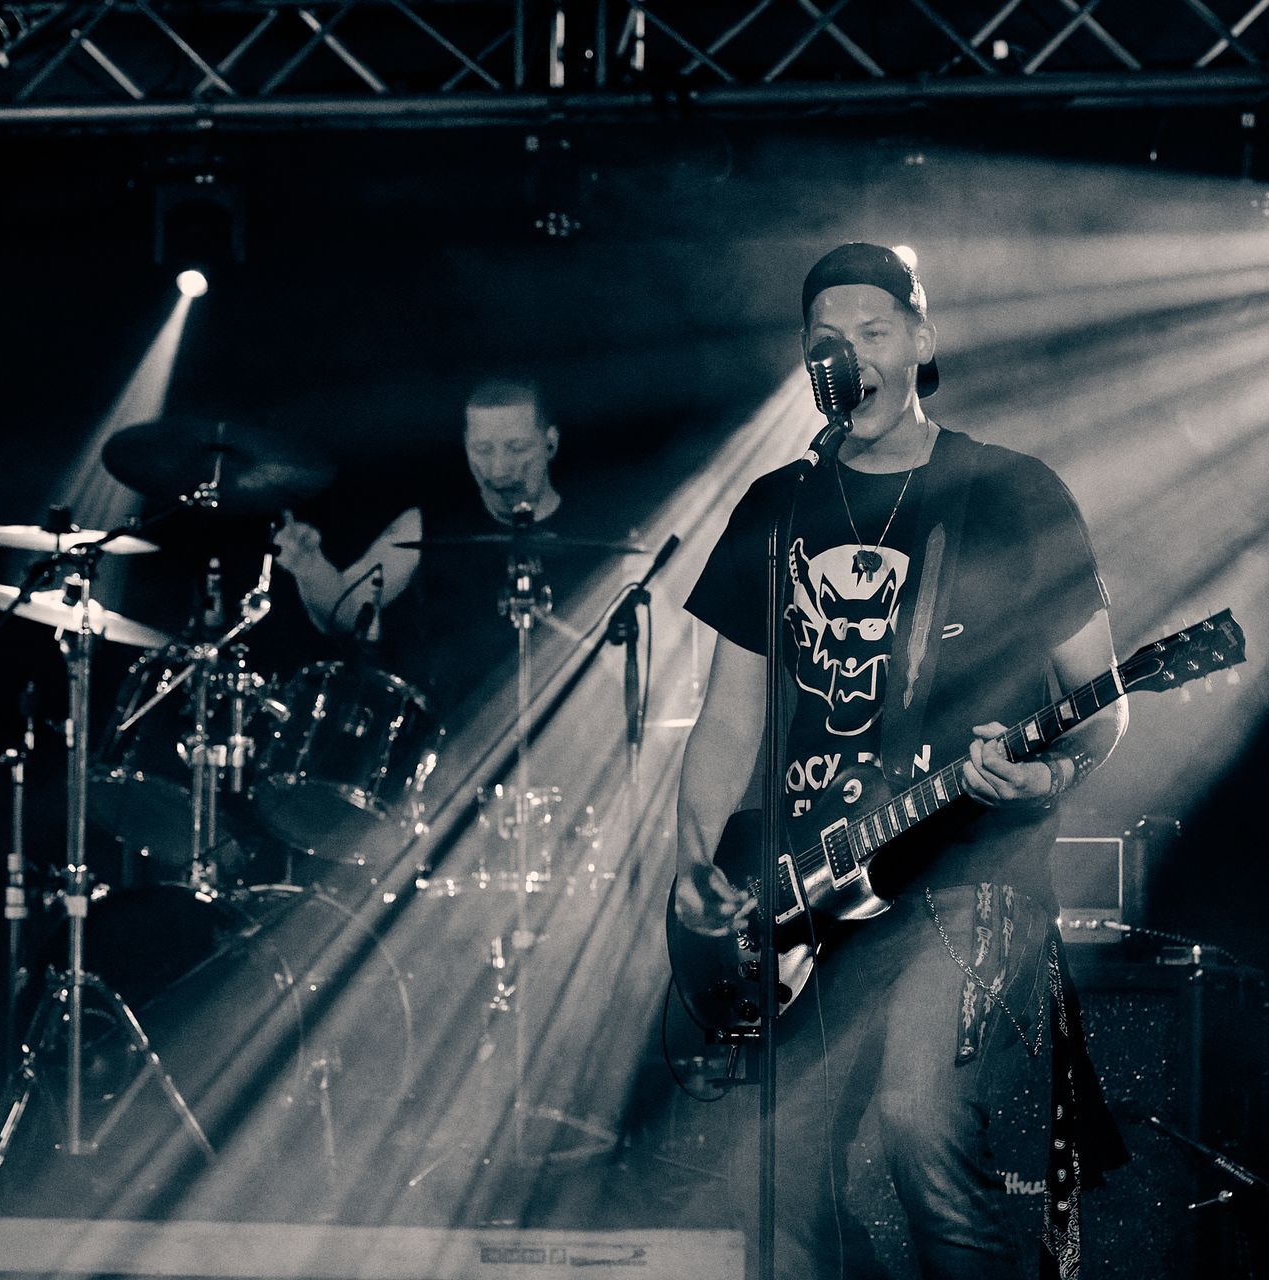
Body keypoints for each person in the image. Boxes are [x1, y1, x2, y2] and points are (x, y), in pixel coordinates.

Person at [673, 243, 1128, 1280]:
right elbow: (730, 719)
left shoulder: (1008, 491)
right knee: (773, 1177)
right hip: (808, 894)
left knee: (921, 1124)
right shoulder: (776, 508)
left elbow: (1102, 703)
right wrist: (697, 867)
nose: (850, 357)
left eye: (873, 332)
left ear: (922, 339)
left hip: (968, 879)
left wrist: (1052, 776)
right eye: (827, 341)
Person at [271, 378, 583, 709]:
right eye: (482, 450)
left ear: (550, 442)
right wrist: (309, 567)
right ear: (465, 445)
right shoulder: (428, 525)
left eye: (517, 448)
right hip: (457, 731)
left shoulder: (601, 528)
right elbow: (346, 613)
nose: (499, 468)